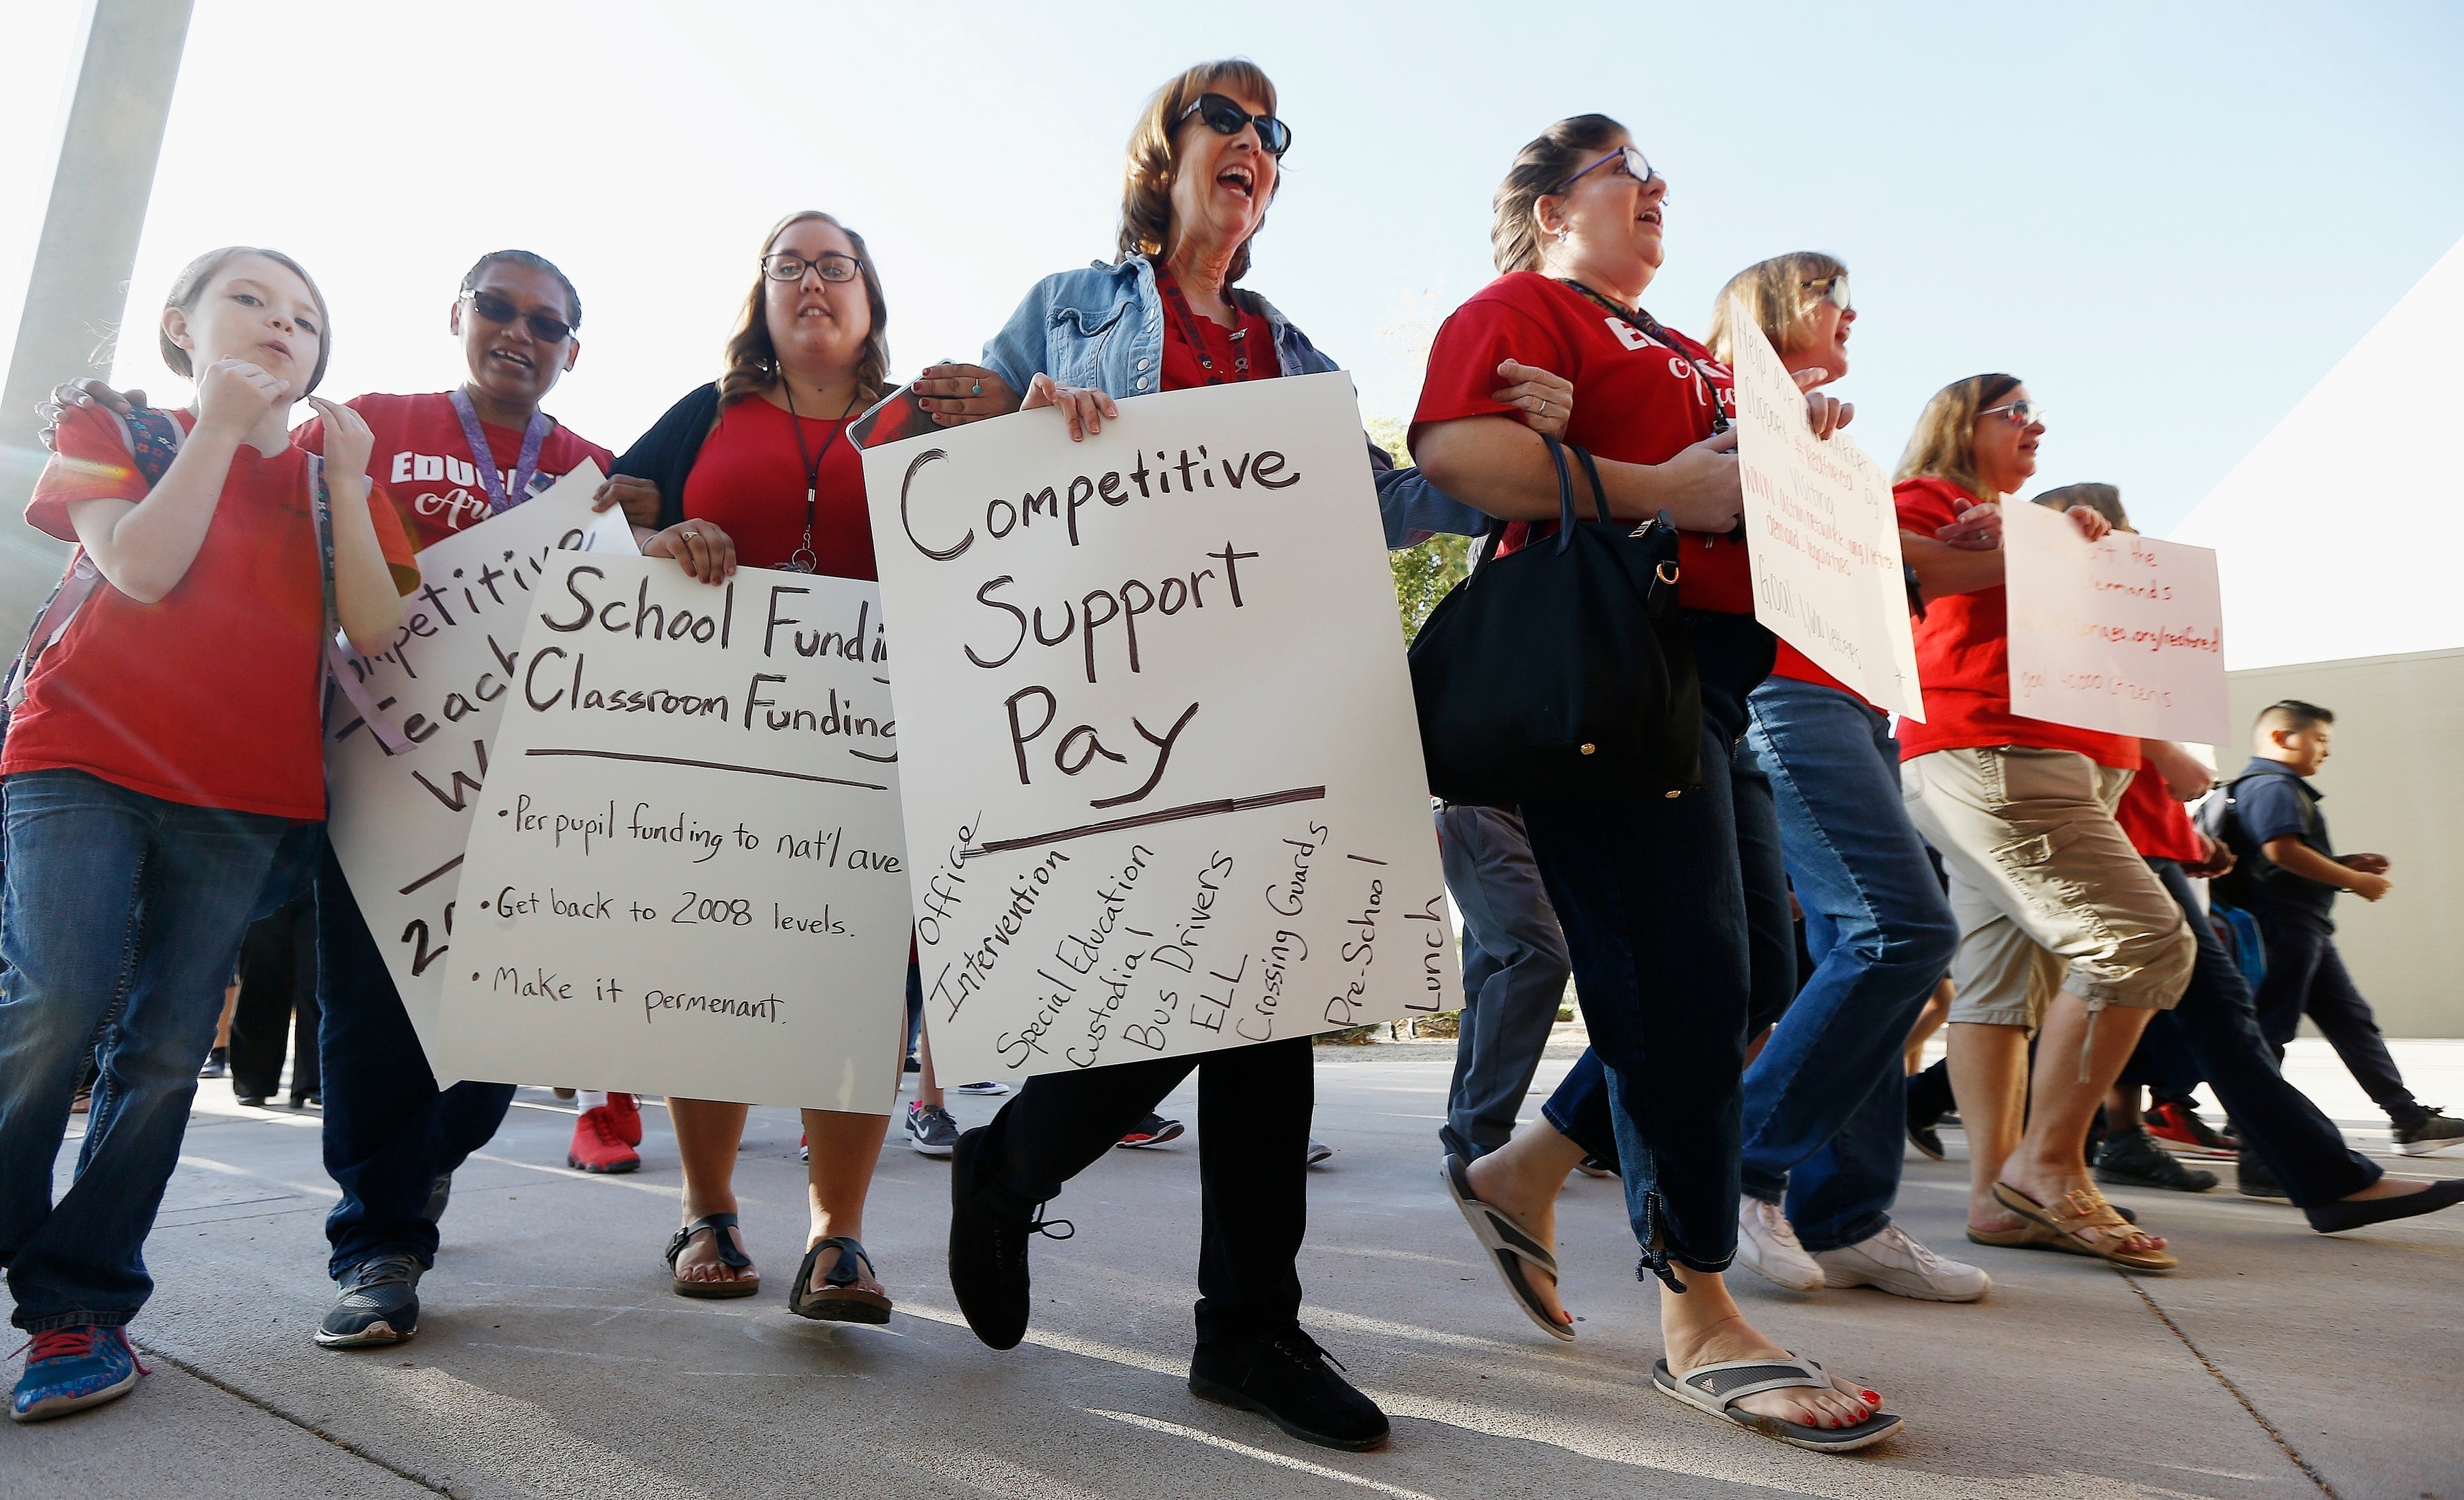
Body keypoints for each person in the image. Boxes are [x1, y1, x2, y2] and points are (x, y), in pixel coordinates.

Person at [922, 60, 1556, 1456]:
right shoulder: (1070, 313)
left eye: (1276, 134)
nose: (1256, 146)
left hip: (1271, 700)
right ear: (1169, 149)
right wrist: (1020, 427)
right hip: (1117, 697)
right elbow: (942, 451)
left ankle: (1245, 1326)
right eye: (1230, 118)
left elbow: (1385, 500)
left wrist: (1498, 456)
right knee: (1180, 1001)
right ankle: (1020, 1160)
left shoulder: (1293, 356)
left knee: (1275, 986)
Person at [1412, 117, 1900, 1453]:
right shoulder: (1528, 308)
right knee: (1676, 980)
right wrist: (1651, 481)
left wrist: (1793, 458)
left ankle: (1522, 1171)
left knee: (1750, 981)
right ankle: (1699, 1308)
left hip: (1713, 690)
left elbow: (1728, 494)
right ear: (1554, 206)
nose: (1658, 187)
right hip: (1611, 681)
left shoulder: (1686, 349)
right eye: (1627, 168)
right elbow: (1456, 453)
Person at [44, 249, 635, 1347]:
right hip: (366, 769)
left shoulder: (594, 467)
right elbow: (250, 494)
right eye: (497, 309)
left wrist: (665, 534)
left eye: (545, 324)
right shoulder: (365, 421)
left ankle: (422, 1165)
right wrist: (152, 417)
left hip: (525, 790)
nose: (519, 332)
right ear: (457, 314)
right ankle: (377, 1243)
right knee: (366, 1019)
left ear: (571, 350)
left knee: (494, 1033)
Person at [1, 247, 415, 1421]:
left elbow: (378, 630)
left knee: (168, 1045)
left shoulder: (334, 474)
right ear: (180, 327)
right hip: (80, 757)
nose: (283, 326)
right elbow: (137, 566)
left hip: (243, 793)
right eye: (250, 300)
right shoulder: (114, 427)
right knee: (54, 1003)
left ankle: (80, 1305)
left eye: (306, 318)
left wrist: (342, 481)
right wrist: (221, 434)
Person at [605, 209, 911, 1323]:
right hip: (717, 741)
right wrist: (658, 540)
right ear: (762, 297)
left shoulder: (924, 424)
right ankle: (709, 1208)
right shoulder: (707, 412)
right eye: (791, 265)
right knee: (714, 961)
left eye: (837, 265)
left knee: (860, 980)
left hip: (876, 744)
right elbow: (603, 526)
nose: (814, 281)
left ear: (870, 298)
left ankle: (839, 1236)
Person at [1689, 253, 1988, 1302]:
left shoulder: (1835, 441)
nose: (1849, 312)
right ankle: (1741, 1167)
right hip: (1783, 690)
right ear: (1770, 311)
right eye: (1827, 294)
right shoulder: (1715, 393)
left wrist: (1960, 549)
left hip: (1859, 698)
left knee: (1847, 950)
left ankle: (1848, 1211)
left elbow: (1892, 577)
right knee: (1900, 928)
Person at [1889, 376, 2194, 1272]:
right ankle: (2051, 1166)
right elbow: (1900, 563)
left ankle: (1999, 1192)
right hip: (1997, 753)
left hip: (2048, 760)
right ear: (1959, 423)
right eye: (2013, 410)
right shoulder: (1933, 498)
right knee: (2141, 942)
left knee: (1999, 984)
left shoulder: (2018, 519)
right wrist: (2041, 546)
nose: (2036, 424)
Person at [2213, 700, 2464, 1155]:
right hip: (2283, 928)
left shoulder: (2263, 786)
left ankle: (2408, 1119)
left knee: (2352, 1021)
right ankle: (2251, 1137)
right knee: (2271, 1033)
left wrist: (2341, 863)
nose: (2326, 751)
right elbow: (2281, 852)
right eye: (2320, 739)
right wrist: (2357, 881)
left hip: (2302, 927)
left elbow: (2274, 858)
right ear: (2281, 738)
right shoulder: (2273, 785)